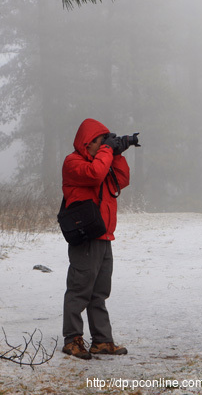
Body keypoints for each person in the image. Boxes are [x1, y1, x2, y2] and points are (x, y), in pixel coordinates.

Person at [61, 118, 132, 360]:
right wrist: (108, 151)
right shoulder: (73, 162)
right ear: (87, 143)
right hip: (86, 235)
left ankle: (101, 341)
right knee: (79, 289)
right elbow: (94, 175)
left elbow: (122, 179)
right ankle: (72, 339)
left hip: (104, 235)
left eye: (106, 142)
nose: (104, 146)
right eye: (101, 142)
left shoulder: (103, 162)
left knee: (99, 292)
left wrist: (117, 153)